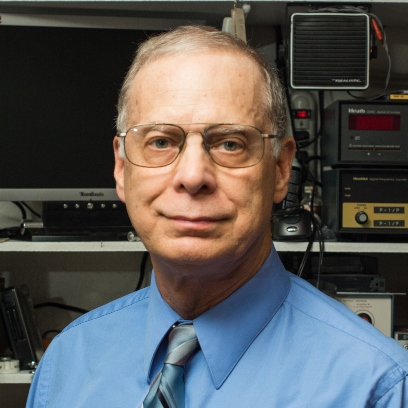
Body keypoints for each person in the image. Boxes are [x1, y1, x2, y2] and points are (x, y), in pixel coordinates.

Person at [27, 25, 407, 407]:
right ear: (122, 169)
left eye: (230, 143)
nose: (193, 177)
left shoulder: (377, 386)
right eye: (160, 142)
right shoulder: (66, 364)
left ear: (280, 168)